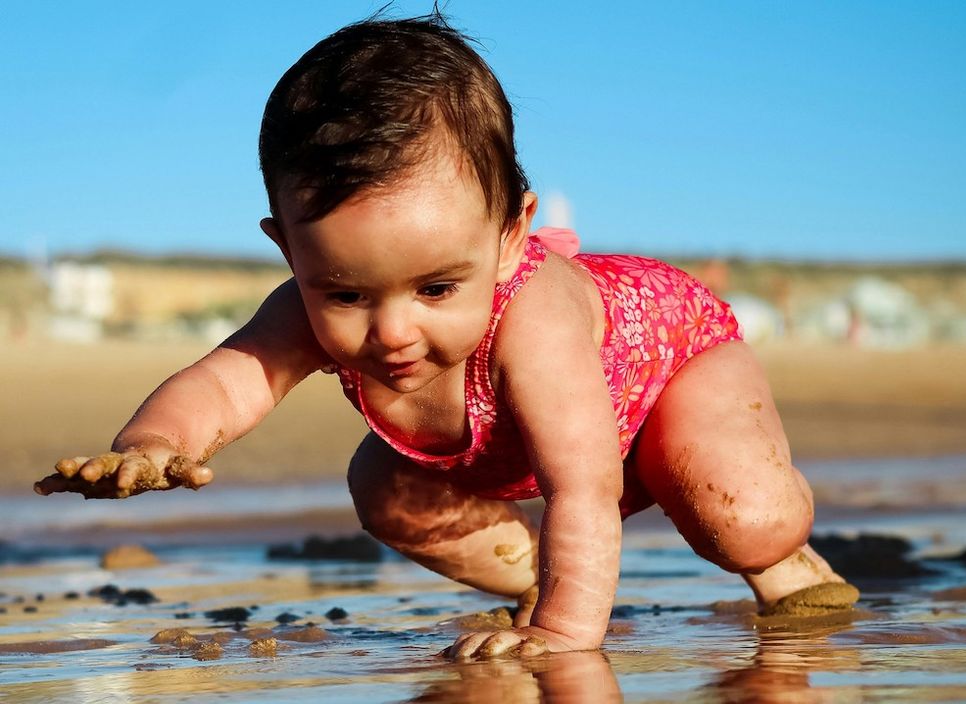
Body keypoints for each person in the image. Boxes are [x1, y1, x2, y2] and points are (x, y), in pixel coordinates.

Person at [35, 14, 857, 659]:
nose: (391, 330)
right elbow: (227, 381)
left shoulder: (533, 321)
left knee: (743, 516)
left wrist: (567, 640)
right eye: (347, 292)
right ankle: (553, 578)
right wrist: (150, 442)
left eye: (435, 288)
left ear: (510, 236)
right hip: (527, 455)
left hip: (667, 366)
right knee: (383, 485)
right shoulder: (306, 307)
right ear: (289, 249)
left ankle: (787, 566)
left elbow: (582, 485)